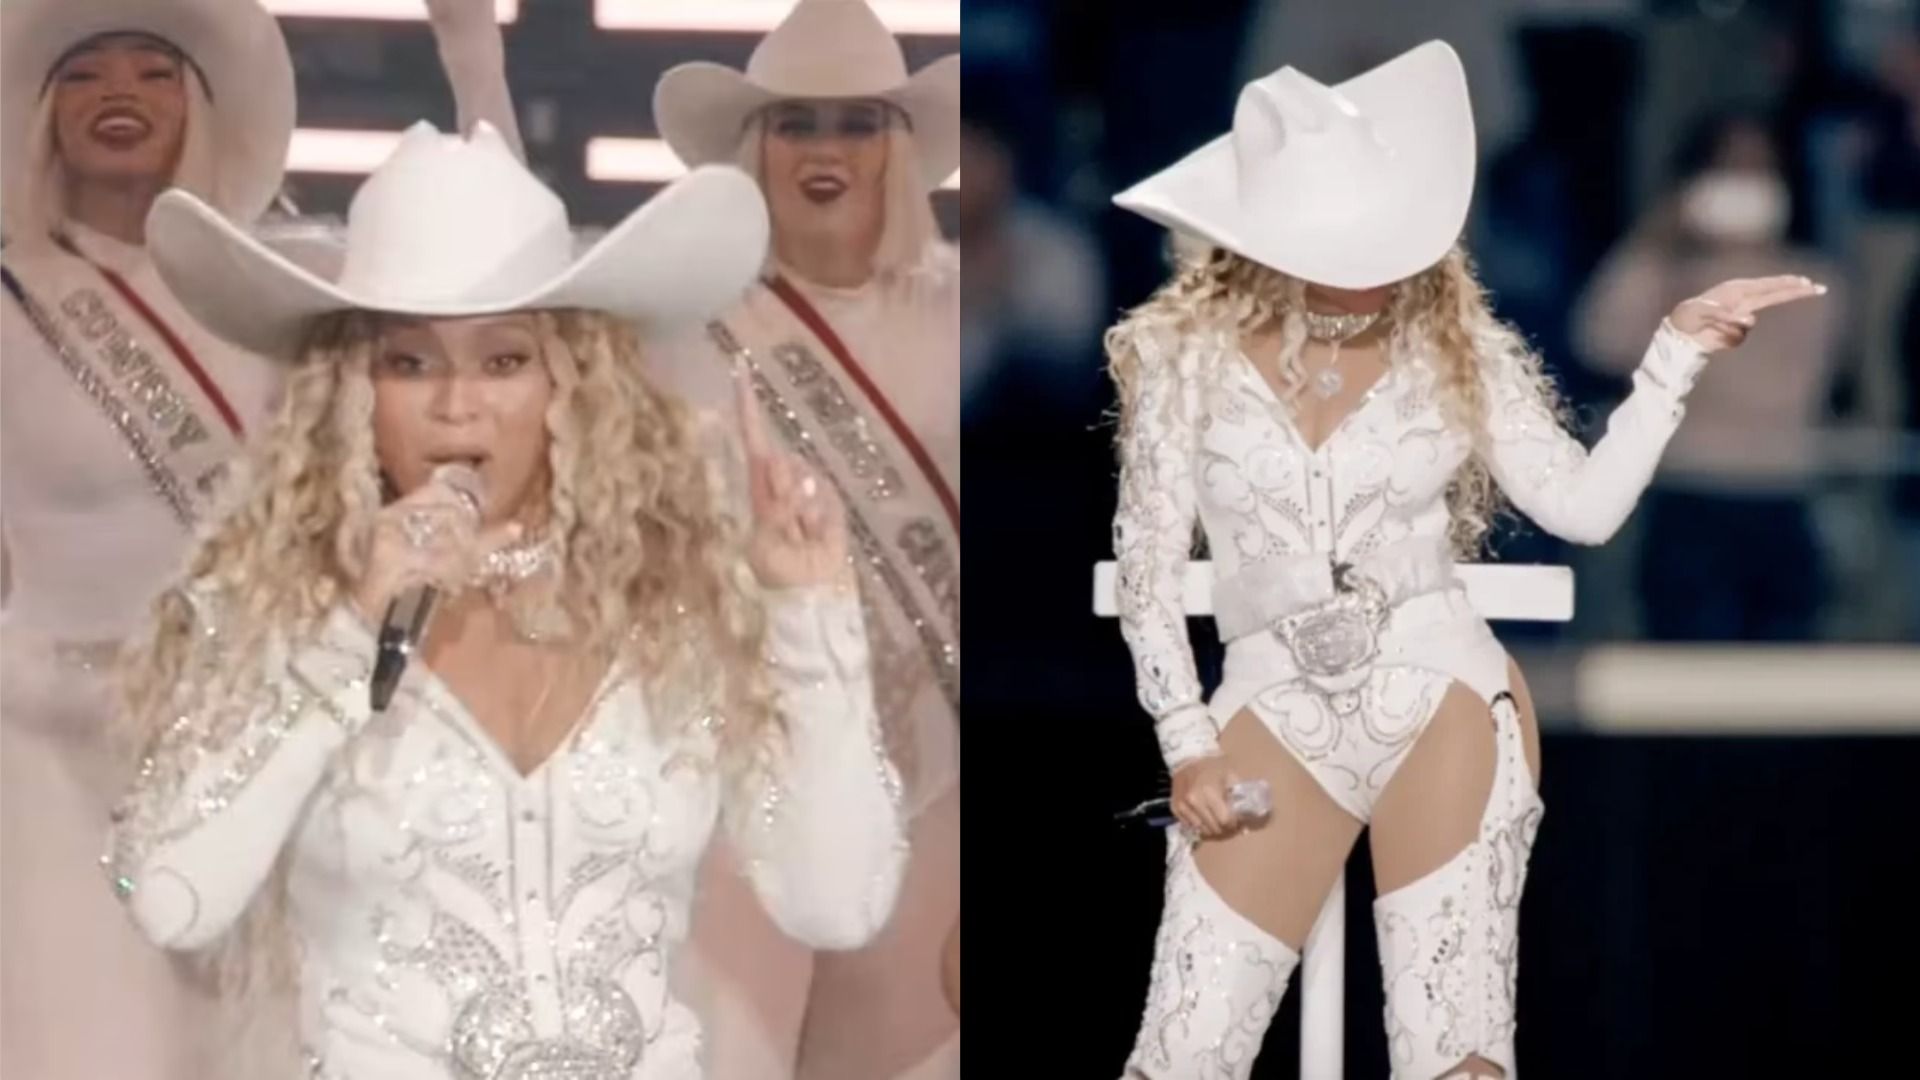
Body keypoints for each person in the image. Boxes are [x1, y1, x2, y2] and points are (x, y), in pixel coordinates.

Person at [103, 120, 907, 1079]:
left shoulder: (676, 610)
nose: (456, 406)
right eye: (410, 363)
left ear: (576, 386)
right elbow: (168, 896)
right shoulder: (284, 612)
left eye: (503, 360)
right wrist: (351, 630)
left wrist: (808, 615)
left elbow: (837, 902)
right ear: (347, 394)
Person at [1104, 42, 1823, 1079]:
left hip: (1440, 695)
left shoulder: (1455, 342)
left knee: (1455, 1060)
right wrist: (1185, 743)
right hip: (1265, 714)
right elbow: (1147, 564)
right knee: (1181, 1058)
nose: (1367, 268)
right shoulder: (1179, 360)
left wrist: (1673, 356)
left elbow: (1582, 506)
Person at [0, 3, 521, 1075]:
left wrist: (476, 67)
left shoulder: (292, 281)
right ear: (45, 110)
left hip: (270, 731)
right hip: (48, 751)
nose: (120, 94)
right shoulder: (10, 295)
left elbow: (503, 284)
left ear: (200, 101)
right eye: (88, 72)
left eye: (153, 70)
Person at [648, 2, 960, 1077]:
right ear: (755, 151)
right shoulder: (680, 322)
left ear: (899, 149)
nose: (824, 150)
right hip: (738, 761)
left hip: (938, 773)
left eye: (855, 123)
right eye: (795, 125)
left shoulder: (968, 310)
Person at [1577, 108, 1847, 640]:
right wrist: (1654, 238)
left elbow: (1788, 387)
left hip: (1779, 494)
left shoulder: (1814, 281)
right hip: (1685, 495)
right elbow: (1598, 340)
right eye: (1729, 169)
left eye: (1759, 170)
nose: (1744, 184)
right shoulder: (1660, 272)